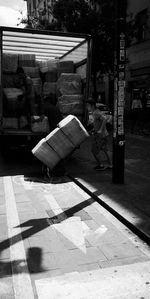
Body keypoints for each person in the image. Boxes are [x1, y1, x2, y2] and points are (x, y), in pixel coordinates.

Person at [86, 98, 112, 171]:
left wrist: (100, 129)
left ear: (92, 105)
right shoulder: (94, 113)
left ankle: (101, 165)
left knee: (94, 151)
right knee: (105, 150)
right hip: (102, 135)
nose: (87, 107)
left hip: (101, 136)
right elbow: (98, 123)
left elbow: (105, 119)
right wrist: (93, 130)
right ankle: (110, 165)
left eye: (88, 105)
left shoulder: (96, 112)